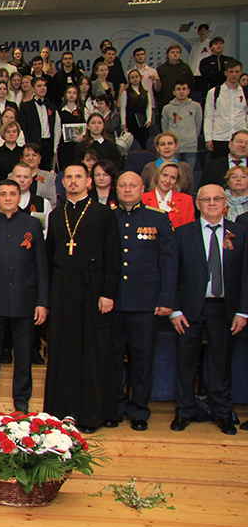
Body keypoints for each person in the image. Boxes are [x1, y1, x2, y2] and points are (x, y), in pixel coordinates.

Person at [43, 163, 122, 433]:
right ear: (63, 182)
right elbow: (49, 257)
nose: (73, 181)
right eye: (69, 177)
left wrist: (107, 292)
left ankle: (93, 414)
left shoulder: (102, 213)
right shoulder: (57, 215)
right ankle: (62, 411)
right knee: (64, 349)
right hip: (63, 287)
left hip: (93, 287)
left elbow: (113, 256)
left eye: (78, 177)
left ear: (89, 181)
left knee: (93, 350)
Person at [169, 184, 247, 436]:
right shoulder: (182, 233)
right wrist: (175, 310)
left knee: (220, 364)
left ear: (225, 203)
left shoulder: (240, 233)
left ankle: (222, 413)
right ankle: (184, 411)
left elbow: (246, 275)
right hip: (189, 309)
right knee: (186, 363)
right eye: (206, 199)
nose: (211, 203)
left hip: (225, 309)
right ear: (198, 203)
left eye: (216, 199)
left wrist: (243, 311)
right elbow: (172, 274)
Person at [0, 179, 48, 413]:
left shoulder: (32, 224)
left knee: (24, 353)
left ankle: (22, 398)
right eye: (3, 194)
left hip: (25, 298)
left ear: (19, 197)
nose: (8, 198)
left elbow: (41, 265)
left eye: (12, 194)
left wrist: (42, 302)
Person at [112, 172, 177, 431]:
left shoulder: (158, 218)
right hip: (113, 300)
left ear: (143, 189)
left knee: (142, 358)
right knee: (113, 357)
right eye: (123, 185)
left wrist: (167, 297)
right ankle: (115, 407)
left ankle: (139, 409)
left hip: (146, 300)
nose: (127, 190)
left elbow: (170, 261)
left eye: (133, 185)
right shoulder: (108, 217)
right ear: (116, 189)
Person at [204, 59, 247, 161]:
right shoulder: (214, 92)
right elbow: (209, 117)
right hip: (220, 137)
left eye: (237, 71)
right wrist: (208, 138)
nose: (234, 74)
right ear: (226, 72)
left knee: (240, 167)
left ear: (241, 73)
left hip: (240, 138)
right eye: (231, 71)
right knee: (220, 167)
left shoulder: (245, 92)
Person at [160, 82, 202, 171]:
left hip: (190, 147)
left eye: (184, 89)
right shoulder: (167, 108)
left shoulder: (196, 106)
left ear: (188, 91)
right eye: (178, 89)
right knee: (173, 173)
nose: (181, 92)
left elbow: (198, 125)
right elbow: (165, 128)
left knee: (188, 174)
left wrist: (192, 137)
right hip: (174, 149)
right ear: (174, 92)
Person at [143, 162, 194, 228]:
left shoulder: (187, 200)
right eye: (165, 175)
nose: (167, 181)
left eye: (173, 178)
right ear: (157, 176)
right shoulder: (142, 198)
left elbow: (190, 228)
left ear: (176, 181)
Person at [155, 44, 195, 111]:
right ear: (167, 54)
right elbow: (157, 87)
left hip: (183, 102)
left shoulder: (185, 67)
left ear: (180, 54)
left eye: (177, 52)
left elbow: (192, 83)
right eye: (172, 52)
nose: (175, 54)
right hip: (165, 101)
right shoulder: (161, 69)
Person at [0, 120, 24, 185]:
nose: (11, 134)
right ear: (3, 134)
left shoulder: (23, 152)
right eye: (8, 132)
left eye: (14, 131)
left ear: (18, 133)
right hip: (0, 187)